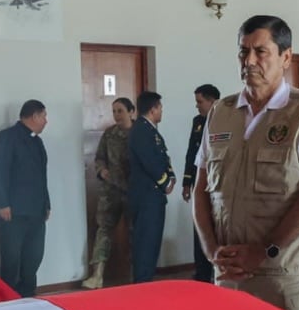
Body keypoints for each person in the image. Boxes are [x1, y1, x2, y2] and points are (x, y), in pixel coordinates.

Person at [192, 14, 299, 310]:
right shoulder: (220, 113)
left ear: (286, 57)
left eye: (260, 51)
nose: (249, 61)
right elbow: (202, 188)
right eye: (243, 51)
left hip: (284, 275)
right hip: (229, 272)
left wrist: (266, 251)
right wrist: (211, 249)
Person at [0, 99, 50, 297]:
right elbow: (0, 172)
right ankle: (8, 300)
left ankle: (28, 296)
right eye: (44, 116)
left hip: (36, 210)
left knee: (33, 257)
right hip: (14, 211)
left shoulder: (37, 141)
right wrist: (3, 203)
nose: (46, 121)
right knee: (11, 259)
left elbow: (42, 176)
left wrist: (47, 204)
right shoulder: (7, 137)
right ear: (34, 116)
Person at [82, 97, 135, 289]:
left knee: (134, 233)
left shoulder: (140, 133)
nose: (116, 115)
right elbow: (99, 158)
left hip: (133, 192)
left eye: (120, 111)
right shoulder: (109, 134)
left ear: (131, 111)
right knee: (103, 230)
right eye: (114, 111)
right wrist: (101, 170)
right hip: (110, 191)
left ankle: (134, 275)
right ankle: (97, 275)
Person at [127, 91, 175, 283]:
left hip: (153, 197)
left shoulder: (150, 130)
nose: (162, 111)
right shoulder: (141, 130)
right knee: (146, 243)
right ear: (153, 108)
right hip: (146, 197)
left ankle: (147, 282)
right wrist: (165, 183)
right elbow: (149, 162)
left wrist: (171, 176)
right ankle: (142, 284)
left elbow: (163, 157)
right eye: (160, 107)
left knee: (152, 242)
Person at [181, 84, 220, 283]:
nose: (197, 106)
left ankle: (218, 272)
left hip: (218, 185)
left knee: (219, 229)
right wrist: (187, 183)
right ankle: (202, 274)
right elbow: (192, 153)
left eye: (200, 102)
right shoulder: (198, 122)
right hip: (200, 182)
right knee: (200, 228)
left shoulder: (226, 120)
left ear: (213, 102)